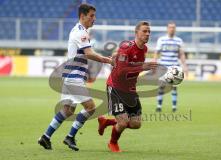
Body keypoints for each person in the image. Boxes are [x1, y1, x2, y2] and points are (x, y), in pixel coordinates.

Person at [38, 4, 112, 151]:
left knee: (67, 110)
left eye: (94, 16)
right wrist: (107, 60)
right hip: (74, 77)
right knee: (90, 108)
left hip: (70, 75)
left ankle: (45, 137)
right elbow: (89, 53)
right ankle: (70, 137)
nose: (94, 19)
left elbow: (84, 54)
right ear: (82, 16)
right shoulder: (81, 33)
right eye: (91, 16)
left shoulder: (79, 31)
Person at [97, 21, 158, 152]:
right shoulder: (126, 47)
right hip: (116, 87)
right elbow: (120, 71)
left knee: (136, 124)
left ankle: (106, 122)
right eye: (144, 31)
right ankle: (113, 143)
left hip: (130, 90)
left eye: (149, 31)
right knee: (123, 122)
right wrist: (143, 67)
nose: (147, 34)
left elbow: (134, 67)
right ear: (136, 33)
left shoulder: (144, 49)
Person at [153, 21, 188, 112]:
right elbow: (156, 53)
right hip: (163, 66)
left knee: (174, 87)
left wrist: (185, 65)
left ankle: (174, 107)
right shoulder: (161, 40)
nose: (172, 29)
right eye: (170, 27)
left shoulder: (179, 40)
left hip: (175, 67)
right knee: (161, 86)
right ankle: (159, 106)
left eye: (173, 27)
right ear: (167, 29)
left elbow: (182, 54)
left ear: (175, 29)